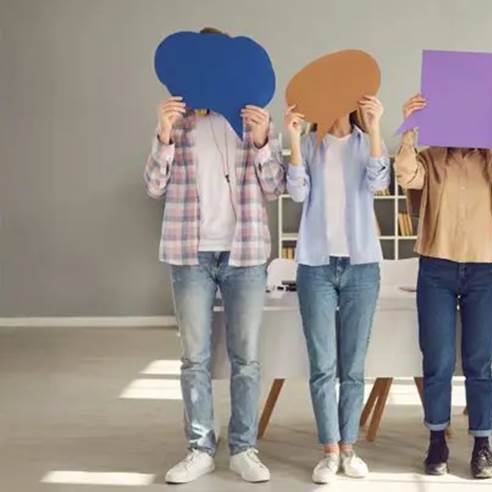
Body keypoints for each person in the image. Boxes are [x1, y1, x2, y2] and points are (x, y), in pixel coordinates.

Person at [143, 26, 282, 486]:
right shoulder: (179, 125)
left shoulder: (252, 120)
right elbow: (154, 187)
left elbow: (274, 187)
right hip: (190, 253)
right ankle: (200, 447)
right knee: (194, 358)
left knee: (246, 358)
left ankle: (244, 448)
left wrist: (262, 142)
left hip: (245, 253)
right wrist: (163, 135)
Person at [394, 94, 492, 479]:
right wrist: (408, 129)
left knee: (479, 361)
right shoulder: (432, 158)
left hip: (483, 269)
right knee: (437, 360)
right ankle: (437, 440)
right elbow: (406, 174)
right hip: (436, 267)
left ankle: (481, 445)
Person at [280, 96, 389, 484]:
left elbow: (379, 182)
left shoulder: (365, 141)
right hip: (316, 266)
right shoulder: (310, 145)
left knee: (353, 366)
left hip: (362, 266)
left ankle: (349, 448)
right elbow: (297, 193)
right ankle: (329, 451)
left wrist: (375, 128)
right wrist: (294, 140)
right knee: (323, 365)